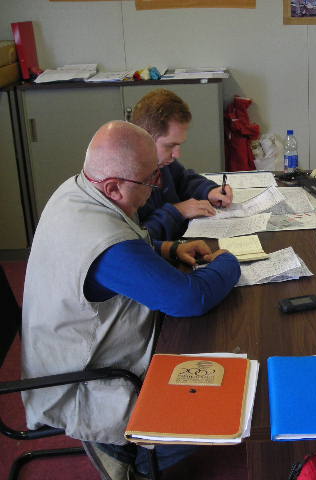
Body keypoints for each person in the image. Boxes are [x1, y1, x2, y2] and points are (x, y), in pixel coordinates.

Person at [21, 121, 241, 480]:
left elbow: (127, 247)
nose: (155, 187)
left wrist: (169, 248)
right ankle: (129, 458)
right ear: (112, 186)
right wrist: (229, 260)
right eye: (149, 180)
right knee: (212, 409)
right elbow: (190, 298)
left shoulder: (76, 190)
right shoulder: (105, 242)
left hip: (67, 350)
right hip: (85, 381)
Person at [131, 88, 233, 240]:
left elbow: (183, 180)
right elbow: (136, 239)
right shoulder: (126, 182)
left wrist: (209, 191)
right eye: (170, 145)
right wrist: (177, 211)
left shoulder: (163, 163)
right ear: (144, 138)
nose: (177, 154)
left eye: (179, 145)